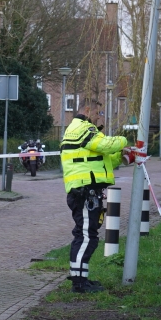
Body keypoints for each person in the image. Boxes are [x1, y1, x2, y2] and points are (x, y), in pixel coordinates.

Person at [61, 97, 131, 293]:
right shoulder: (84, 128)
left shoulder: (82, 131)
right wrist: (125, 140)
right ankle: (79, 283)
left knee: (88, 234)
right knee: (85, 235)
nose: (101, 118)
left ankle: (82, 278)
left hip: (87, 190)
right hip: (84, 191)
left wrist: (122, 156)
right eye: (99, 113)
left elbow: (101, 157)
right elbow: (107, 145)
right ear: (89, 110)